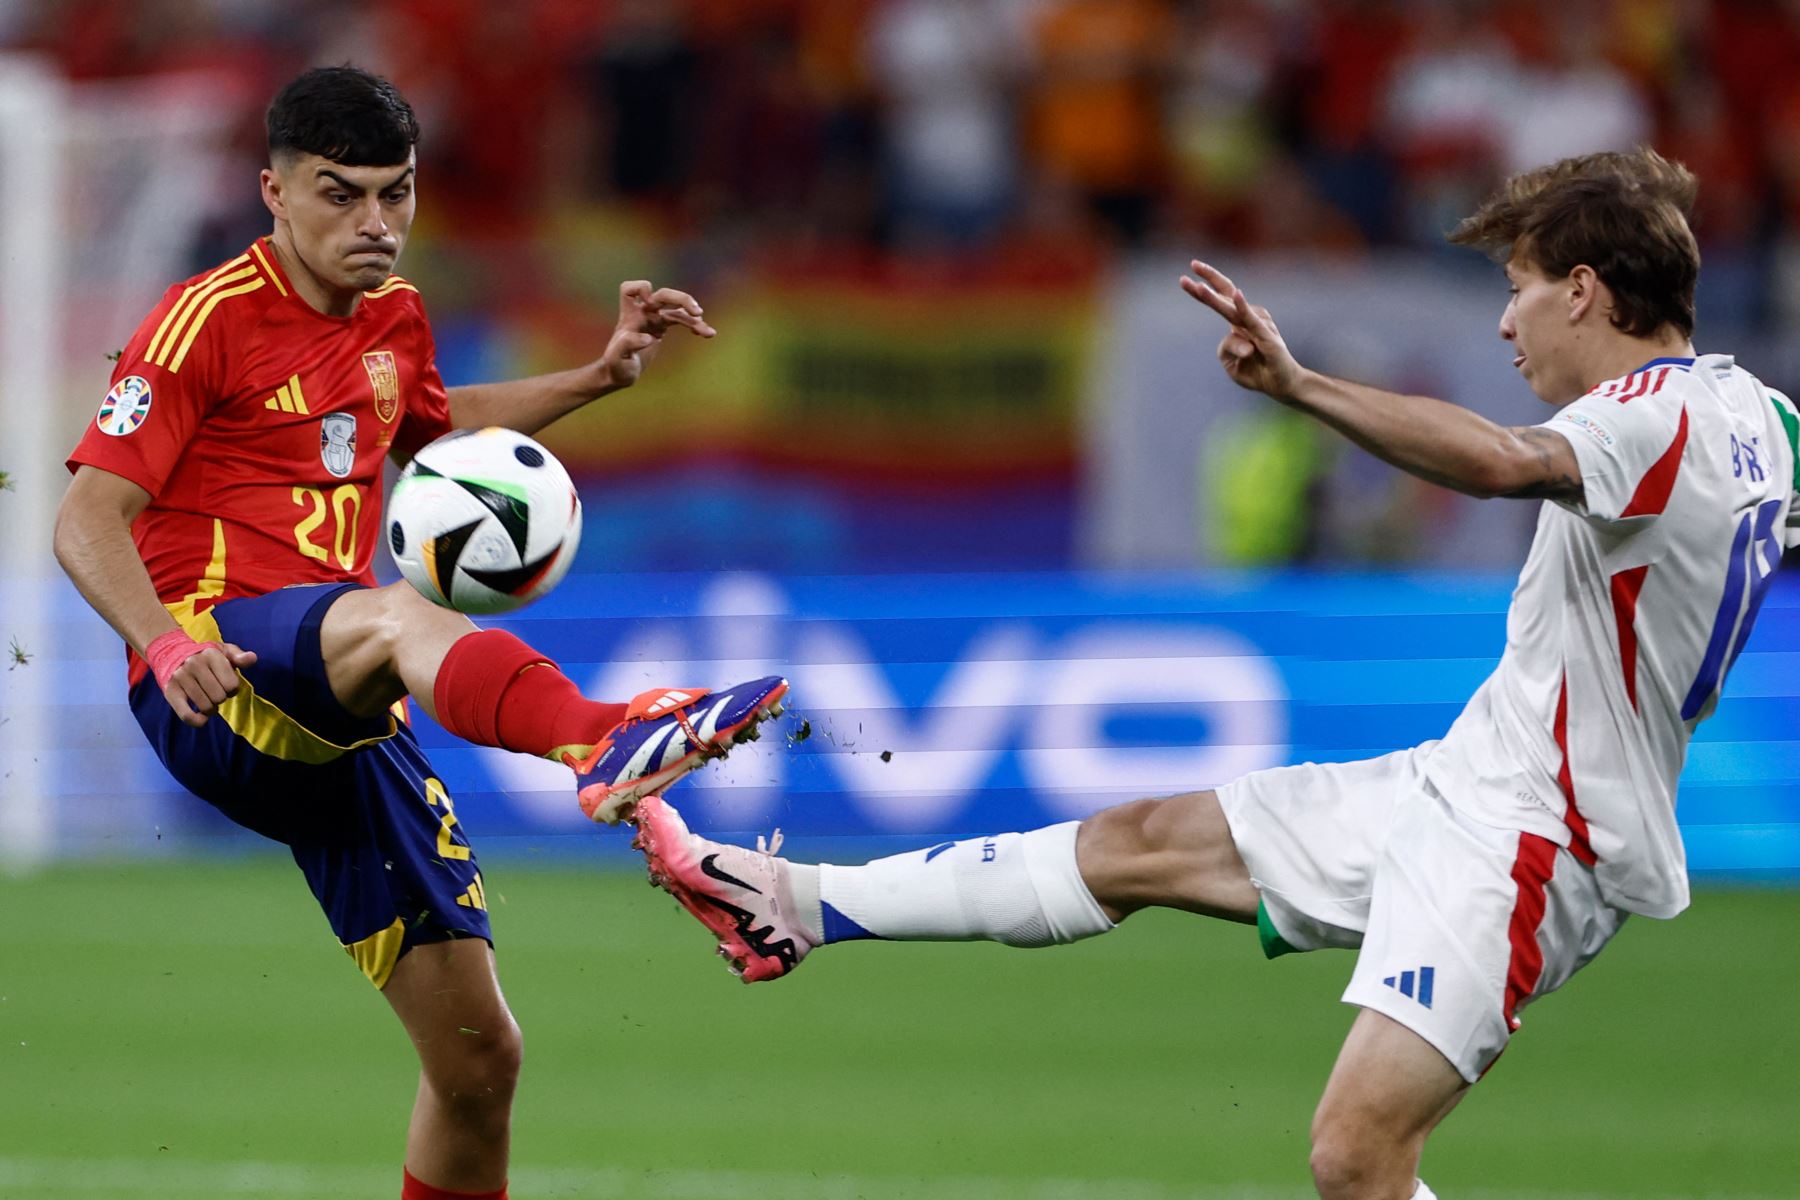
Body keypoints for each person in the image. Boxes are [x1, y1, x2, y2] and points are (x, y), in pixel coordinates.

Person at [628, 146, 1799, 1199]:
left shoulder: (1645, 416)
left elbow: (1502, 463)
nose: (1507, 326)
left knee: (1356, 1156)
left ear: (1584, 290)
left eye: (1518, 290)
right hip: (1468, 785)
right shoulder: (1765, 417)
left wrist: (1303, 388)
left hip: (1540, 837)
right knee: (1140, 842)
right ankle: (797, 908)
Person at [53, 66, 788, 1200]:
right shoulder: (204, 320)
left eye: (396, 195)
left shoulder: (395, 317)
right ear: (273, 193)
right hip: (221, 671)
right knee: (403, 610)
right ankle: (599, 738)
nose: (377, 225)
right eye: (341, 196)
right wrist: (161, 644)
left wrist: (600, 375)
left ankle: (594, 746)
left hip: (348, 707)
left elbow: (436, 431)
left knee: (481, 1062)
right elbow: (85, 515)